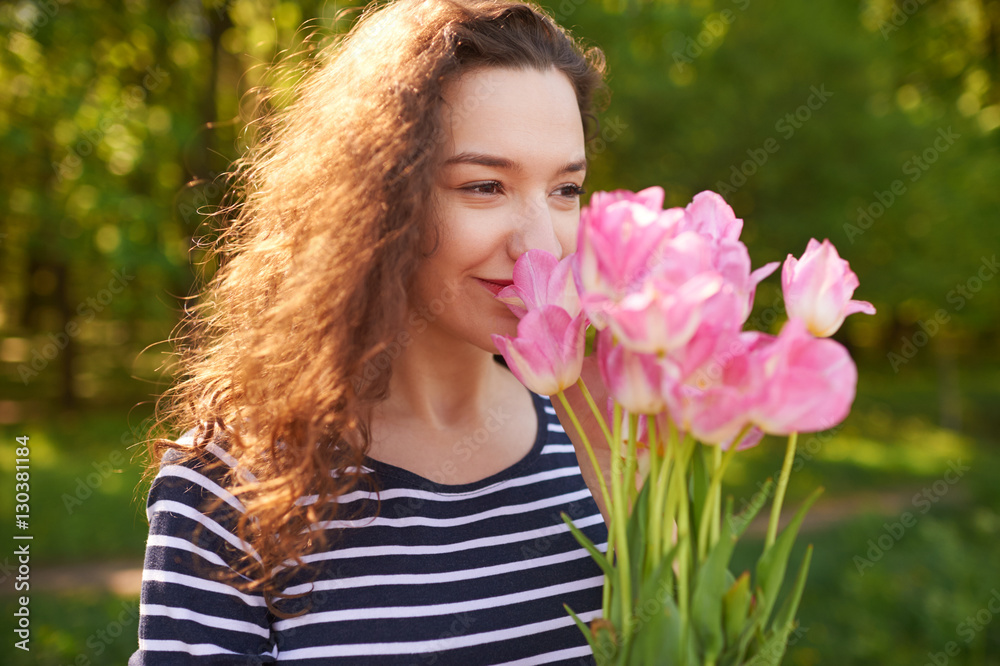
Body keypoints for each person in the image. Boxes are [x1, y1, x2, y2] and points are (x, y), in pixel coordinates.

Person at [129, 0, 617, 663]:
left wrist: (626, 490)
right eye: (484, 187)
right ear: (377, 201)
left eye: (565, 190)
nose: (541, 246)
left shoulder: (601, 441)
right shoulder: (226, 486)